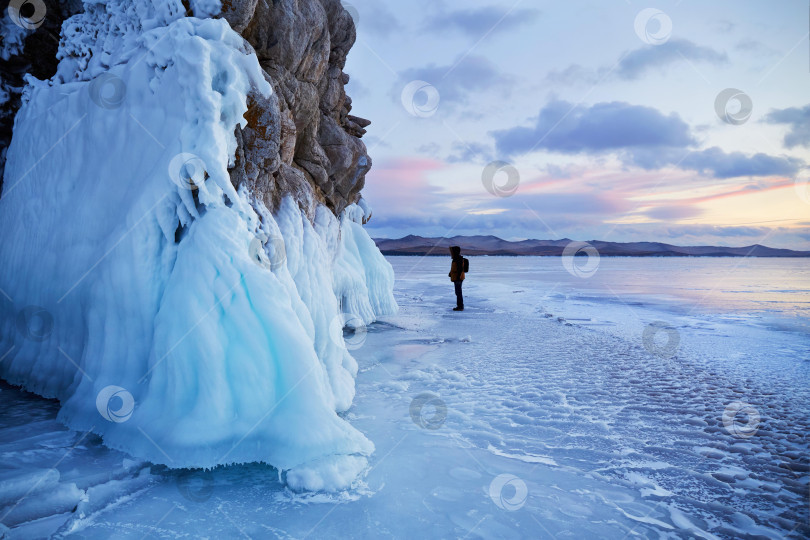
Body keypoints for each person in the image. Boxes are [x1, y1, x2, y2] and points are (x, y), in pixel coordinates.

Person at [448, 246, 465, 311]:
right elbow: (454, 268)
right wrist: (450, 273)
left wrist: (458, 277)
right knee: (458, 292)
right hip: (458, 278)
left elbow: (460, 269)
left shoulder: (458, 259)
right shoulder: (456, 258)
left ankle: (460, 306)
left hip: (458, 278)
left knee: (458, 292)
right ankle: (460, 306)